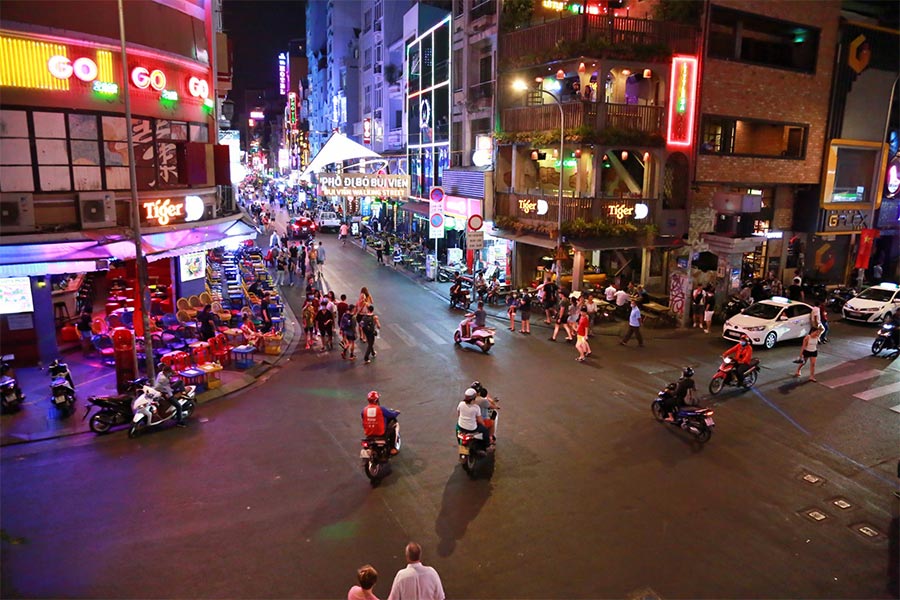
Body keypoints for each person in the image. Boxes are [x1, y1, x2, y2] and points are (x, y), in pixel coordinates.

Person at [154, 362, 185, 427]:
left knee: (179, 382)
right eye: (169, 372)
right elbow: (168, 388)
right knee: (178, 406)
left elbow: (172, 374)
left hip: (162, 389)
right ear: (166, 372)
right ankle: (180, 422)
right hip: (165, 392)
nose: (169, 373)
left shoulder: (160, 373)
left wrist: (174, 373)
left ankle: (182, 392)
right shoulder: (164, 379)